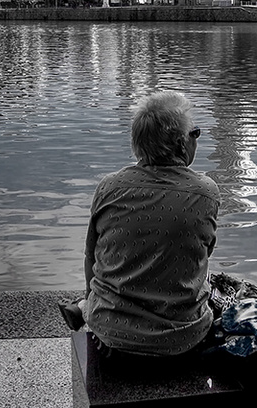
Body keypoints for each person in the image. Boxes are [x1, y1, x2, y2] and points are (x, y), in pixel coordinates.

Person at [74, 89, 221, 356]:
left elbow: (91, 256)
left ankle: (83, 308)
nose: (197, 140)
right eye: (195, 133)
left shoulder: (110, 187)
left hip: (110, 330)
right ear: (180, 144)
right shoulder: (205, 192)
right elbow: (202, 255)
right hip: (182, 336)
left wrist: (89, 301)